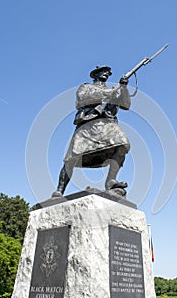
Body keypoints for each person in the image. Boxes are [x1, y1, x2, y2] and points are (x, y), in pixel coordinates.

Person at [52, 65, 132, 198]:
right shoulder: (86, 87)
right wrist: (109, 93)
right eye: (103, 71)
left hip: (107, 124)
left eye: (108, 72)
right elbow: (82, 99)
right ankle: (60, 190)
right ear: (95, 74)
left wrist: (123, 88)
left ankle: (111, 181)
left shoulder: (112, 90)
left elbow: (126, 105)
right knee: (71, 158)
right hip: (88, 124)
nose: (106, 73)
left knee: (123, 144)